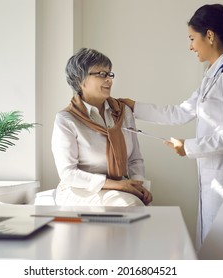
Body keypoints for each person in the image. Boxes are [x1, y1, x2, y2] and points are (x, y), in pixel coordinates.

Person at [123, 4, 223, 250]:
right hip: (214, 174)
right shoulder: (213, 73)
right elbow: (181, 112)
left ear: (209, 36)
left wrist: (188, 147)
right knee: (214, 243)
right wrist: (134, 107)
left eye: (192, 38)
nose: (190, 46)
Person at [51, 47, 152, 206]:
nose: (109, 80)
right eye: (101, 74)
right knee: (129, 204)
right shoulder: (66, 119)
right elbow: (68, 174)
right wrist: (118, 185)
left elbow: (134, 159)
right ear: (80, 80)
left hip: (119, 186)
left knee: (138, 201)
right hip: (81, 189)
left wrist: (138, 184)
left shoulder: (122, 112)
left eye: (109, 74)